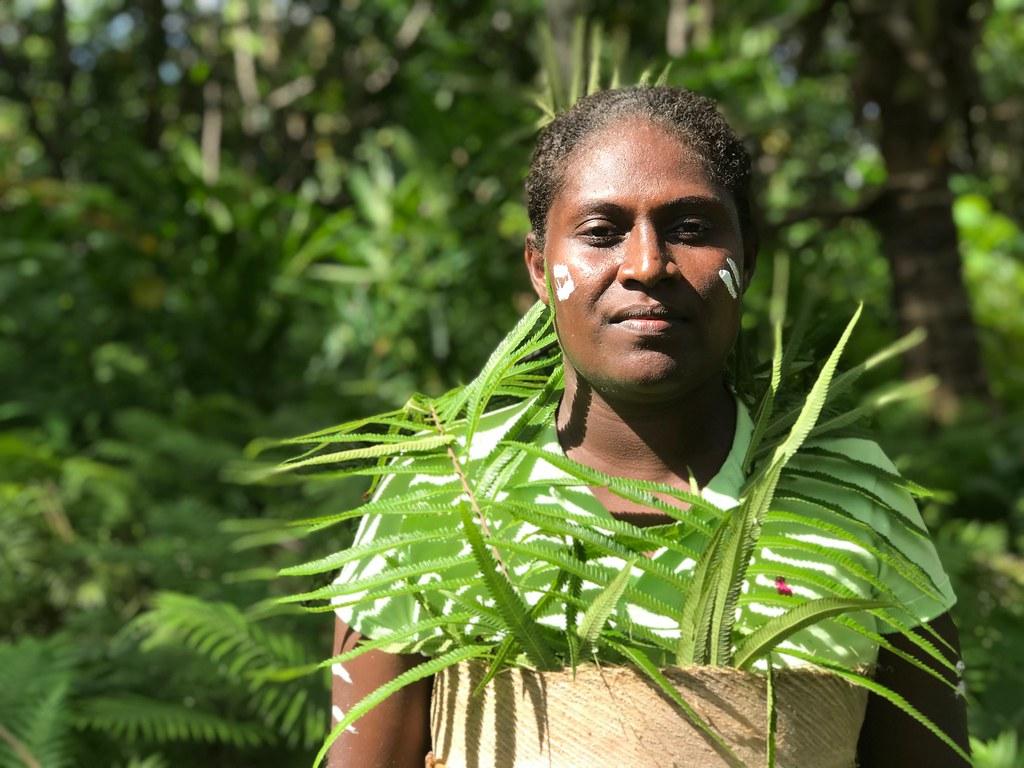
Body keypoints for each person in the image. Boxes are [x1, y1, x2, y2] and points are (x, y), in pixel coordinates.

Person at [328, 86, 970, 767]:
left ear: (746, 258)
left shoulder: (852, 496)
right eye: (601, 232)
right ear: (541, 269)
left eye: (691, 229)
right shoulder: (438, 496)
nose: (645, 265)